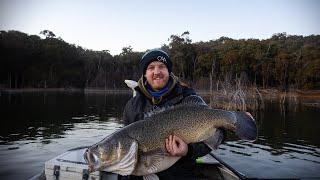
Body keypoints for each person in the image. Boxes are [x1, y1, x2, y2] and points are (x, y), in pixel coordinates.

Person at [122, 49, 224, 179]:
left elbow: (217, 131)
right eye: (151, 68)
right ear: (145, 73)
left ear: (168, 71)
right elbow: (126, 144)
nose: (157, 72)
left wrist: (188, 151)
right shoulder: (132, 106)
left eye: (162, 67)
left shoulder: (187, 97)